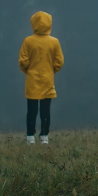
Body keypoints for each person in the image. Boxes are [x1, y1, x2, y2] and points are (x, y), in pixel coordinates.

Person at [18, 11, 64, 144]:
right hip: (47, 80)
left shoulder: (28, 41)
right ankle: (44, 136)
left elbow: (23, 60)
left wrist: (27, 70)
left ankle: (30, 137)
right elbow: (59, 62)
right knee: (45, 110)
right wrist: (51, 70)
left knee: (31, 110)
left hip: (32, 80)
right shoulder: (54, 42)